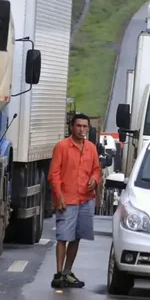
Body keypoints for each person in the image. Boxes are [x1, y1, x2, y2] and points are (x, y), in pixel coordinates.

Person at [47, 113, 101, 289]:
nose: (82, 129)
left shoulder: (91, 148)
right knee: (63, 237)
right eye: (79, 126)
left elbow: (96, 169)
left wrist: (95, 178)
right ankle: (58, 274)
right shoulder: (62, 147)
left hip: (86, 199)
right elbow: (53, 174)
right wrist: (59, 196)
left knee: (77, 237)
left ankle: (67, 272)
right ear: (72, 127)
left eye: (85, 126)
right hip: (67, 199)